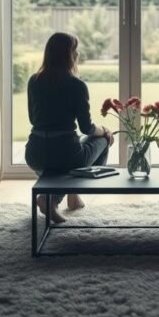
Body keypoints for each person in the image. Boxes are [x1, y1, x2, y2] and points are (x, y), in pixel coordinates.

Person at [25, 32, 113, 223]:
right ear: (68, 55)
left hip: (34, 154)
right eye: (75, 50)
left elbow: (33, 119)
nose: (77, 54)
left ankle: (69, 197)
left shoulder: (34, 80)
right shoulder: (77, 85)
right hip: (65, 155)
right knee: (101, 141)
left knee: (63, 160)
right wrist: (105, 131)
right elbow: (87, 128)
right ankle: (54, 199)